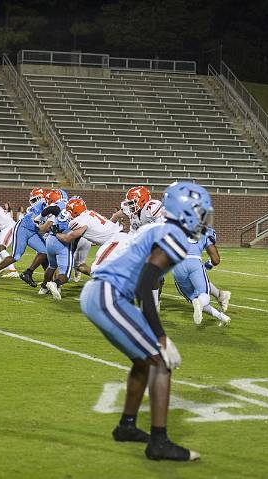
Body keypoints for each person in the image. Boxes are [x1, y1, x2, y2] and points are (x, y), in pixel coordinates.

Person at [80, 181, 212, 462]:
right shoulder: (173, 236)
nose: (204, 217)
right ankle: (159, 443)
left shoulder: (158, 228)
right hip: (108, 296)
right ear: (187, 211)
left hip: (101, 293)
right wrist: (161, 336)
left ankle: (126, 426)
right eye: (201, 211)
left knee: (144, 361)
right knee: (160, 363)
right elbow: (145, 286)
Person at [0, 187, 50, 288]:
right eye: (32, 200)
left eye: (34, 199)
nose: (33, 202)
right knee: (16, 256)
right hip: (22, 229)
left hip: (33, 231)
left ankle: (28, 273)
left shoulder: (45, 205)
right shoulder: (41, 205)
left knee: (45, 252)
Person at [173, 227, 231, 326]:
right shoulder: (206, 231)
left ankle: (221, 317)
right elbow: (216, 259)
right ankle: (211, 298)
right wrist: (209, 264)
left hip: (177, 266)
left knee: (194, 299)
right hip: (194, 262)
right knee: (203, 295)